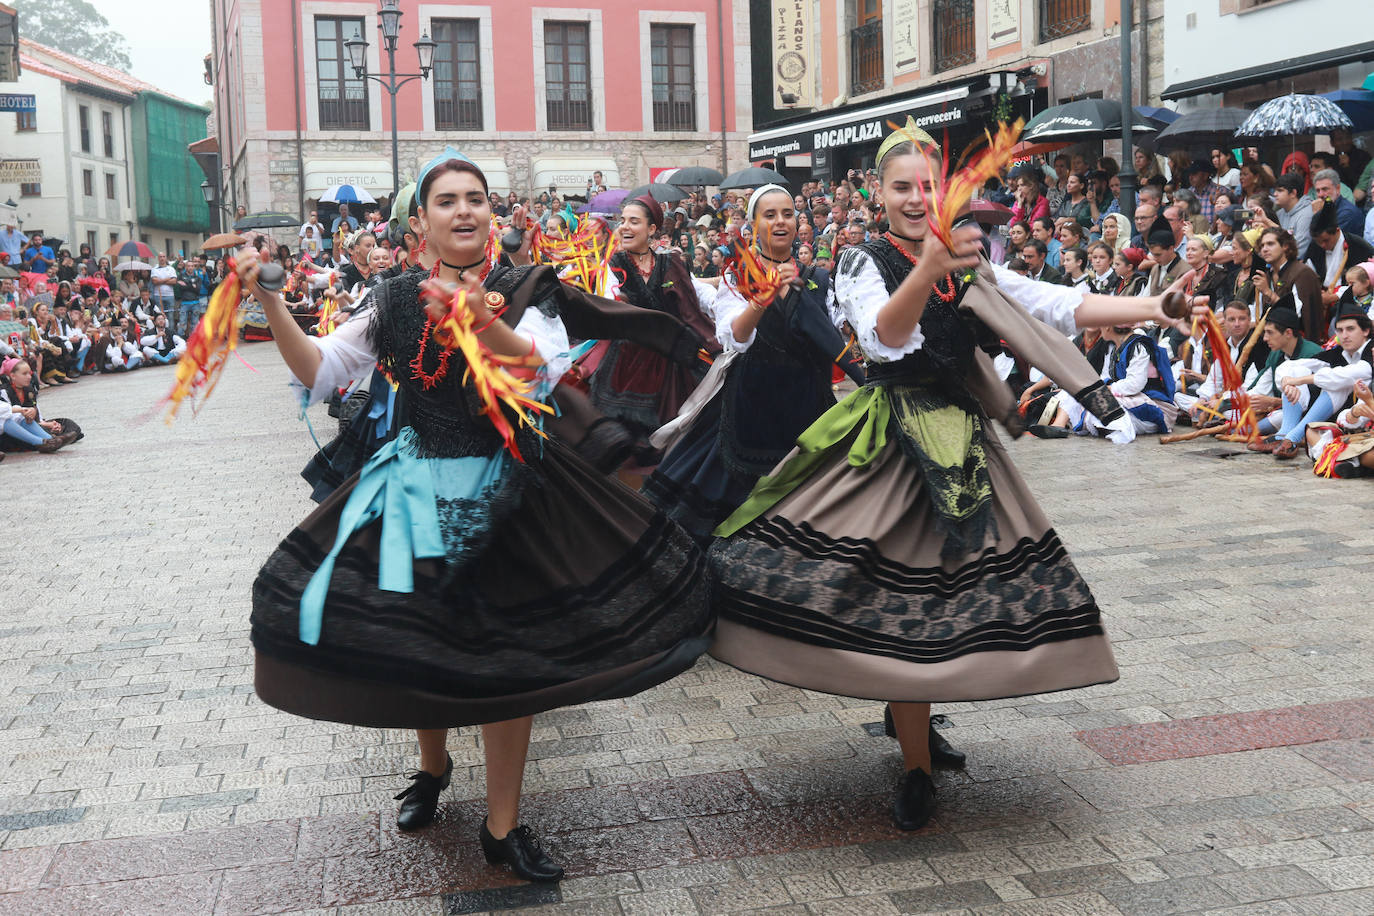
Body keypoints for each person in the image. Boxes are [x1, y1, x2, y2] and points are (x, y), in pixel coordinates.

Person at [707, 120, 1193, 833]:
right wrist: (929, 268)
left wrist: (1157, 306)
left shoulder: (971, 255)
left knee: (950, 597)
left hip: (963, 445)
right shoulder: (861, 260)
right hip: (893, 448)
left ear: (946, 190)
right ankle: (913, 766)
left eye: (926, 186)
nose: (913, 198)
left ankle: (917, 725)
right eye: (901, 187)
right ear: (878, 192)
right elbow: (883, 335)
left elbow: (1059, 303)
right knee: (900, 602)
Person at [244, 149, 713, 883]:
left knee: (508, 661)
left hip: (512, 488)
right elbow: (321, 368)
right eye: (448, 201)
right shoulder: (391, 297)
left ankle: (503, 825)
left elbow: (539, 366)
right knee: (415, 641)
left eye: (476, 199)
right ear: (421, 222)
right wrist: (271, 301)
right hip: (414, 483)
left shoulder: (523, 287)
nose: (465, 211)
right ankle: (432, 768)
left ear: (490, 214)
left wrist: (479, 322)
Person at [642, 184, 863, 544]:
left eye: (788, 214)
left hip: (807, 405)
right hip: (751, 404)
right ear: (754, 225)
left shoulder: (820, 279)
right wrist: (762, 299)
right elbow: (735, 338)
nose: (780, 222)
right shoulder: (736, 275)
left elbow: (845, 336)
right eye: (770, 215)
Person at [586, 194, 720, 466]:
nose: (624, 227)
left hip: (673, 359)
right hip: (627, 364)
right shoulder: (611, 266)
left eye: (634, 221)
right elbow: (606, 304)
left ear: (652, 229)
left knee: (680, 440)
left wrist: (719, 341)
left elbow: (693, 304)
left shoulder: (670, 263)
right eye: (622, 221)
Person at [1267, 303, 1373, 460]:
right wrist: (1286, 383)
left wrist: (1299, 380)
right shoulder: (1337, 353)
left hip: (1361, 419)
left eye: (1350, 329)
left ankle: (1292, 437)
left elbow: (1350, 374)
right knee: (1296, 373)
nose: (1344, 335)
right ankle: (1286, 435)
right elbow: (1291, 365)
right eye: (1339, 330)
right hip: (1340, 417)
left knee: (1335, 384)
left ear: (1365, 331)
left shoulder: (1371, 350)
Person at [1306, 197, 1374, 321]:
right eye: (1319, 242)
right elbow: (1309, 273)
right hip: (1320, 296)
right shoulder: (1315, 247)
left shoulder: (1358, 246)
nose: (1322, 246)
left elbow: (1363, 283)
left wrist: (1334, 297)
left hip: (1351, 299)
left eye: (1326, 240)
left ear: (1337, 231)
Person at [1254, 228, 1323, 342]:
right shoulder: (1267, 276)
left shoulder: (1302, 273)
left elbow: (1297, 316)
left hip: (1299, 343)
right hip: (1272, 342)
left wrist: (1268, 293)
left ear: (1285, 246)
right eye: (1262, 246)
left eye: (1270, 244)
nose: (1264, 249)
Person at [0, 357, 79, 453]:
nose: (29, 377)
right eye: (24, 374)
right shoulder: (4, 391)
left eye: (29, 373)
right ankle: (45, 441)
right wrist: (24, 412)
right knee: (15, 417)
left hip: (31, 424)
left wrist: (42, 420)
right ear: (13, 376)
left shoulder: (29, 389)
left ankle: (52, 440)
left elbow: (37, 413)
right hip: (12, 432)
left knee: (68, 424)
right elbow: (7, 415)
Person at [1312, 168, 1363, 238]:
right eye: (1318, 191)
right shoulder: (1326, 209)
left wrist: (1317, 217)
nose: (1320, 194)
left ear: (1338, 188)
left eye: (1325, 189)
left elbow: (1326, 241)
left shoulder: (1347, 213)